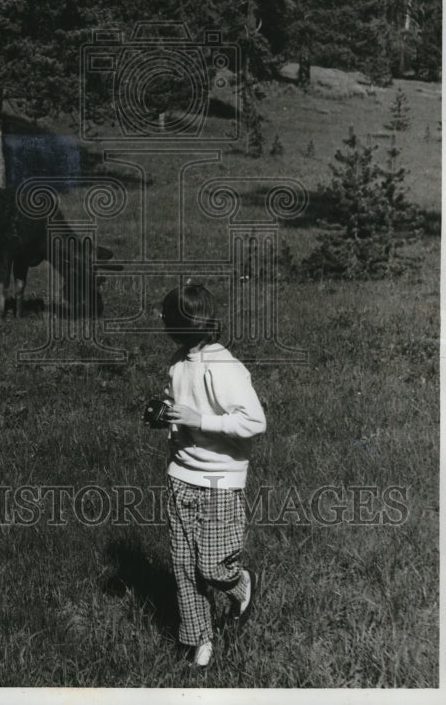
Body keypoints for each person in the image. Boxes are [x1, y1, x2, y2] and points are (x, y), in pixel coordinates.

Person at [158, 283, 266, 669]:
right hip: (181, 474)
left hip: (221, 478)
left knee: (214, 565)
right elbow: (178, 407)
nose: (162, 323)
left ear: (183, 324)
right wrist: (167, 416)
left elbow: (254, 420)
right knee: (185, 566)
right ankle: (199, 639)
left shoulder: (224, 367)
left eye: (167, 317)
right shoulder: (177, 362)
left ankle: (241, 584)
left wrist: (199, 419)